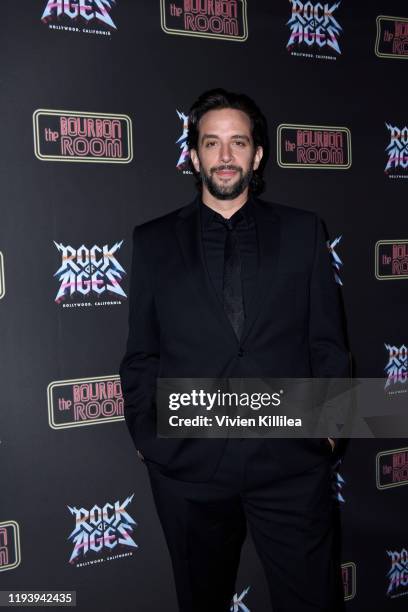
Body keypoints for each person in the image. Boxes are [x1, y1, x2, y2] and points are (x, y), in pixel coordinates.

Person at [120, 88, 350, 612]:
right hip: (190, 468)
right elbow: (141, 353)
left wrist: (331, 434)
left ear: (258, 154)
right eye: (212, 143)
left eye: (238, 142)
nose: (225, 156)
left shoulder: (303, 231)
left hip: (292, 464)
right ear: (194, 155)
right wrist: (147, 433)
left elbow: (329, 344)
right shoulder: (153, 241)